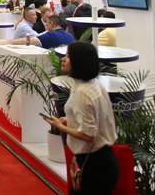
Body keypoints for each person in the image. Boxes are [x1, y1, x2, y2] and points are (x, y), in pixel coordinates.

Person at [44, 42, 120, 194]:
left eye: (68, 56)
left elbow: (88, 135)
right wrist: (71, 121)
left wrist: (62, 127)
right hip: (101, 161)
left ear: (80, 61)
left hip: (95, 165)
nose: (63, 59)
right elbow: (98, 117)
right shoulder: (94, 84)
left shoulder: (83, 92)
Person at [0, 15, 75, 49]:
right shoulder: (70, 36)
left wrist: (7, 42)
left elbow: (28, 40)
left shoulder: (51, 36)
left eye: (47, 24)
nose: (47, 27)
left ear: (52, 24)